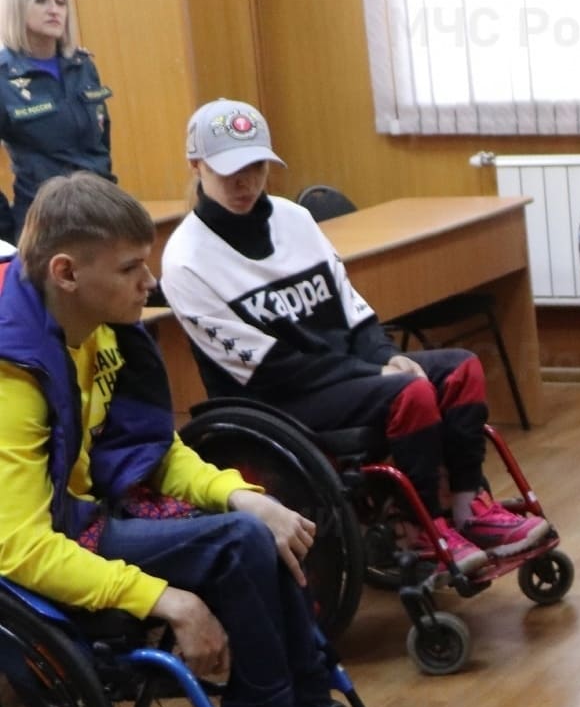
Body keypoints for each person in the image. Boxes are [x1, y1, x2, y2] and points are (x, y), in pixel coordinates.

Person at [0, 173, 423, 707]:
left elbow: (153, 450)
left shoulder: (97, 331)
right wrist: (165, 598)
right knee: (235, 544)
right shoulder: (13, 377)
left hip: (87, 512)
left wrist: (240, 495)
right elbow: (20, 547)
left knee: (262, 525)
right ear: (66, 272)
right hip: (46, 545)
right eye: (130, 268)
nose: (150, 282)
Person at [159, 99, 549, 575]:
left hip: (345, 373)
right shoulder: (186, 259)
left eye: (256, 167)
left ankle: (469, 506)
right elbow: (271, 368)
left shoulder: (293, 218)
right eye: (229, 171)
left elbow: (349, 305)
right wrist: (374, 371)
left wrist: (384, 354)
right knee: (410, 393)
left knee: (461, 368)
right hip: (278, 397)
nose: (245, 183)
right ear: (196, 165)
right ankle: (420, 526)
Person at [0, 0, 116, 244]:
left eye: (61, 1)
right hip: (46, 222)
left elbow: (101, 141)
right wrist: (5, 231)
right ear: (16, 5)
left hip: (102, 212)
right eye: (41, 0)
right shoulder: (4, 77)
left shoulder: (82, 66)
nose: (54, 10)